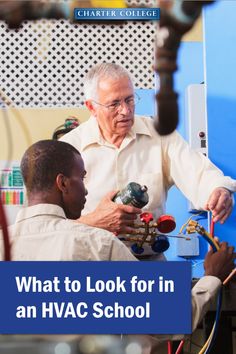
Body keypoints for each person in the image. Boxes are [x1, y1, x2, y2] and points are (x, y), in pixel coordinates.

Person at [0, 139, 234, 350]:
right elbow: (172, 319)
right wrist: (211, 276)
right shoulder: (98, 245)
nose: (86, 189)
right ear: (62, 183)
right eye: (81, 178)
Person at [61, 62, 236, 257]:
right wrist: (93, 221)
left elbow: (196, 171)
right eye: (114, 104)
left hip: (149, 266)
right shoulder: (68, 148)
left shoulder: (160, 135)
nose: (125, 111)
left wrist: (218, 189)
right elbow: (50, 226)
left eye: (129, 100)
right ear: (91, 107)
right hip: (91, 268)